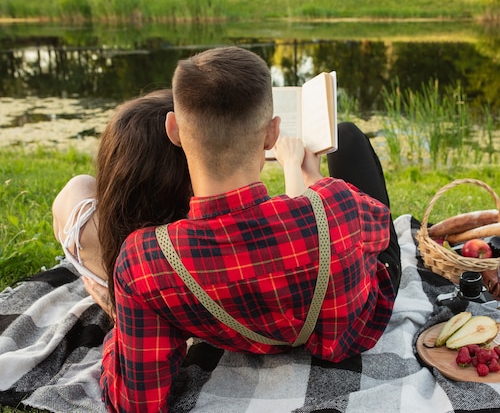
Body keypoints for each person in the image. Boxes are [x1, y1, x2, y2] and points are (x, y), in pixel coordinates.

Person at [99, 46, 401, 413]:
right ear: (273, 133)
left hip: (236, 328)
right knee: (348, 137)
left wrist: (121, 329)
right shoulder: (337, 204)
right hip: (348, 335)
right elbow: (381, 233)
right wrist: (313, 181)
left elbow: (135, 403)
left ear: (173, 129)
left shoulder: (143, 261)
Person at [52, 89, 192, 318]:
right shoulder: (187, 244)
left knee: (82, 183)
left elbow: (61, 223)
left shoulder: (81, 220)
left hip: (97, 261)